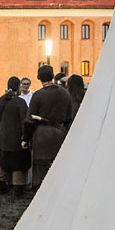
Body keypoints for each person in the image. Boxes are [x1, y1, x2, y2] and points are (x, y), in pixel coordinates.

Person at [22, 64, 75, 193]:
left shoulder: (38, 95)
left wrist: (25, 139)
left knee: (40, 167)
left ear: (39, 78)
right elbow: (69, 118)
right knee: (58, 165)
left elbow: (29, 120)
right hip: (60, 133)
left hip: (41, 135)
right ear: (52, 76)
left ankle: (41, 191)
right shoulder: (65, 94)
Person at [0, 76, 30, 197]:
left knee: (3, 163)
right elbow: (24, 122)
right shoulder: (20, 102)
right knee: (18, 164)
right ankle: (17, 189)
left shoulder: (1, 101)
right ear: (18, 86)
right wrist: (25, 137)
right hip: (16, 138)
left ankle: (2, 186)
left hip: (3, 137)